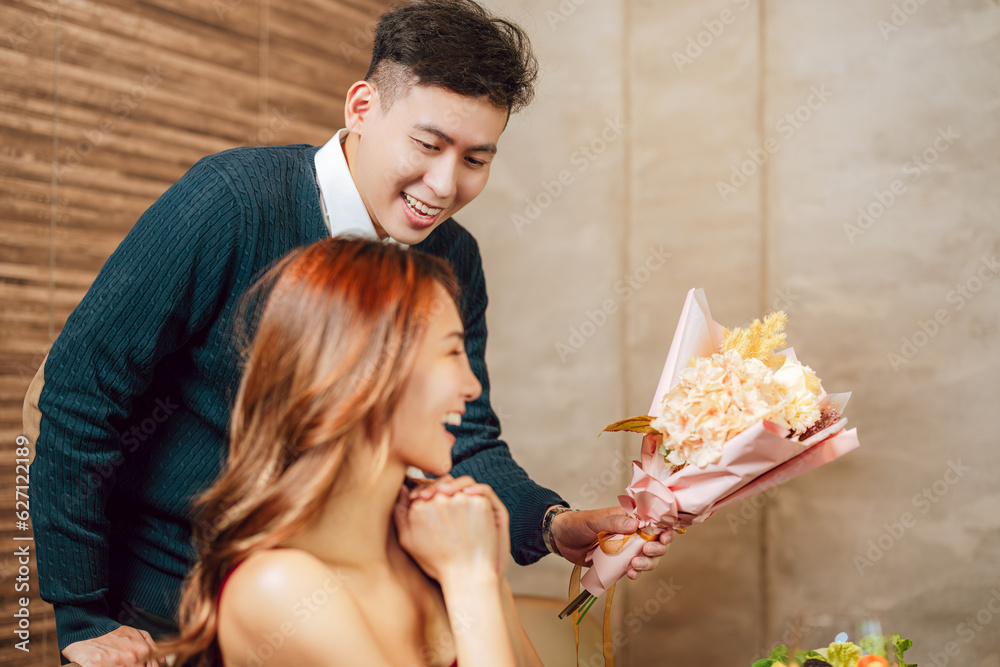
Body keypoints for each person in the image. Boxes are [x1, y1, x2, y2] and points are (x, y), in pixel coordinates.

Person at [25, 1, 673, 664]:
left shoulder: (454, 259)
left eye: (476, 158)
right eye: (428, 144)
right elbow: (82, 393)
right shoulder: (232, 203)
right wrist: (83, 616)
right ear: (362, 107)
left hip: (340, 598)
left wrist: (550, 522)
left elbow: (463, 435)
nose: (445, 184)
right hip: (170, 599)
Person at [160, 237, 542, 666]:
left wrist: (489, 575)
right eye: (452, 350)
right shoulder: (277, 590)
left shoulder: (436, 545)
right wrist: (471, 582)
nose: (472, 387)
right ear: (367, 371)